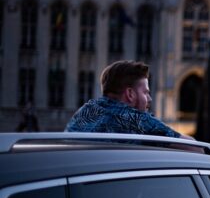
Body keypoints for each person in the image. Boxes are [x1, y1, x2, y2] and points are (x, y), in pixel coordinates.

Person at [66, 60, 194, 140]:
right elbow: (194, 148)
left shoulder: (84, 112)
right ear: (130, 94)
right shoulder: (134, 119)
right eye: (145, 93)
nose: (149, 99)